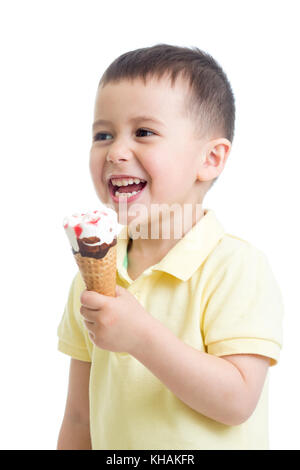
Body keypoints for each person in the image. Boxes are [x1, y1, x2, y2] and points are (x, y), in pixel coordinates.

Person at [57, 44, 283, 450]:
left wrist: (140, 336)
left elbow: (237, 401)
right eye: (103, 134)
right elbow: (78, 416)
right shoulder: (92, 272)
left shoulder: (236, 267)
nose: (116, 152)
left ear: (210, 159)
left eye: (143, 132)